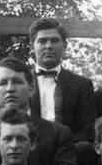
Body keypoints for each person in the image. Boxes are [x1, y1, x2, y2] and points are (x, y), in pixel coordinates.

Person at [28, 18, 97, 147]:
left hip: (70, 149)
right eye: (42, 41)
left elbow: (88, 129)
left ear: (64, 46)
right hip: (30, 149)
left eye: (54, 40)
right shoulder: (22, 83)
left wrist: (64, 146)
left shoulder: (82, 85)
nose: (48, 46)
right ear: (32, 47)